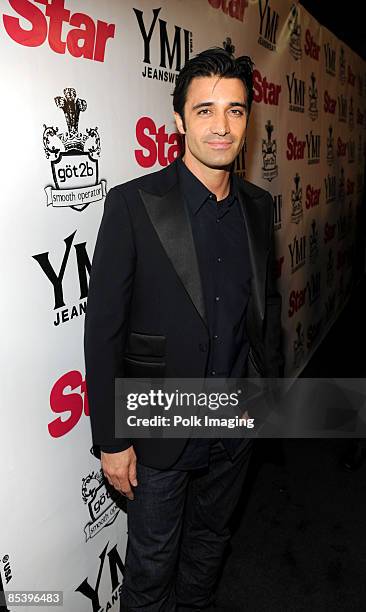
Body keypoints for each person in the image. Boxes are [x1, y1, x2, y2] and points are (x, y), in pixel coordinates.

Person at [84, 47, 284, 612]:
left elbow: (264, 308)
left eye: (236, 111)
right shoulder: (132, 205)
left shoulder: (257, 204)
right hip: (159, 424)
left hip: (234, 421)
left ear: (248, 119)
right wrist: (113, 438)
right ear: (178, 120)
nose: (222, 126)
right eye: (205, 110)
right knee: (150, 567)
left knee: (209, 546)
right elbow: (104, 331)